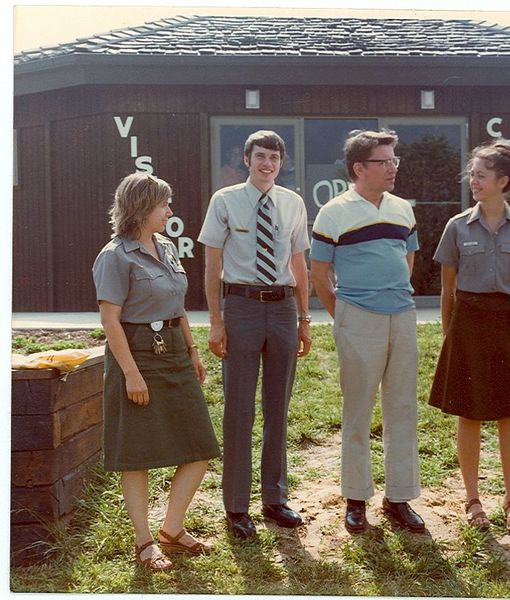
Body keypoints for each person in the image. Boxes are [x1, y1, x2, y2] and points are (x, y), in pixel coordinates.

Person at [92, 172, 220, 571]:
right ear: (142, 208)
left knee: (200, 446)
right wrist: (131, 374)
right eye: (164, 204)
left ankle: (172, 529)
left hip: (175, 353)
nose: (170, 210)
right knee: (136, 455)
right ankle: (145, 541)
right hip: (137, 355)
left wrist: (194, 351)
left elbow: (178, 305)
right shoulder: (114, 256)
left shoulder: (166, 247)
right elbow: (110, 321)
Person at [428, 142, 510, 535]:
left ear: (503, 181)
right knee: (471, 411)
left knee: (509, 412)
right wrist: (449, 336)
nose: (473, 181)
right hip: (469, 324)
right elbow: (448, 289)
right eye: (472, 174)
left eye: (481, 175)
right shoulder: (458, 226)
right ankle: (472, 499)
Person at [198, 130, 311, 539]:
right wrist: (216, 320)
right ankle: (236, 506)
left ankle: (275, 499)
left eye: (275, 158)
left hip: (282, 308)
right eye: (260, 156)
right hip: (242, 307)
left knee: (277, 408)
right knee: (239, 410)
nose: (268, 164)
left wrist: (304, 318)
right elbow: (212, 266)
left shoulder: (293, 203)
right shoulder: (224, 201)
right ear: (247, 159)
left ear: (282, 163)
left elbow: (299, 264)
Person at [310, 129, 424, 534]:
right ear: (360, 168)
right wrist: (343, 314)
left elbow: (408, 257)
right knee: (357, 412)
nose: (393, 167)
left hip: (403, 316)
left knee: (402, 409)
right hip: (357, 318)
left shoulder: (402, 209)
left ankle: (400, 498)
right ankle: (356, 499)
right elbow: (319, 274)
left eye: (395, 160)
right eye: (384, 161)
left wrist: (393, 293)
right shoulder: (333, 212)